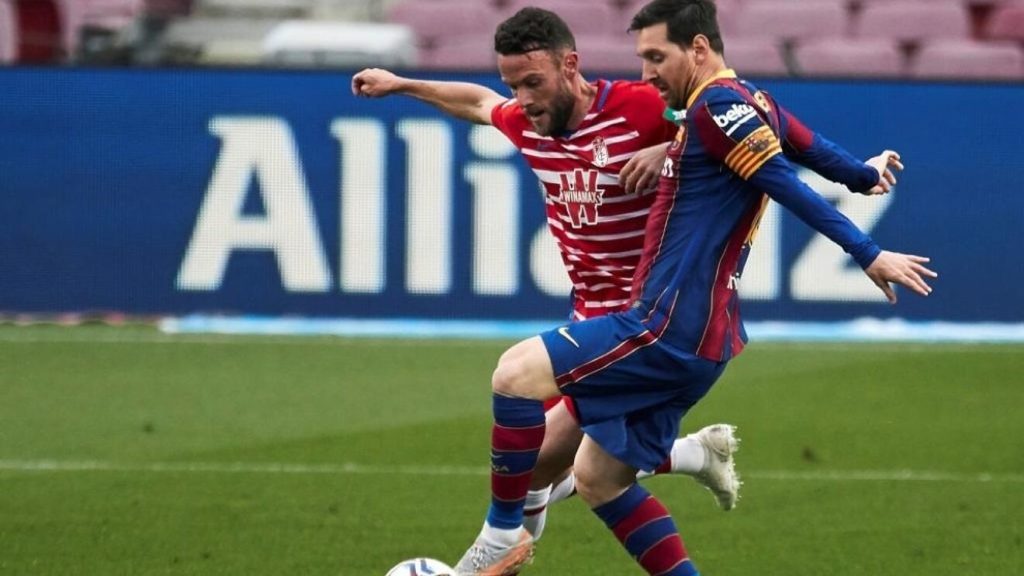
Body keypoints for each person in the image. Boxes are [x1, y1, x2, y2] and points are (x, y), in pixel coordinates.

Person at [450, 0, 936, 574]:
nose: (647, 73)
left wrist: (867, 252)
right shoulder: (749, 101)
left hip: (663, 327)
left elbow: (784, 181)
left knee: (513, 375)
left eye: (657, 57)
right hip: (704, 340)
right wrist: (863, 174)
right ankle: (693, 459)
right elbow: (806, 144)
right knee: (598, 478)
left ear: (699, 48)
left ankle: (500, 538)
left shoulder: (716, 109)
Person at [352, 6, 746, 545]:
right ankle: (693, 455)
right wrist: (402, 84)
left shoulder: (640, 106)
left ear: (570, 65)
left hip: (645, 324)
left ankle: (493, 553)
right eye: (513, 85)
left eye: (532, 82)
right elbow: (478, 103)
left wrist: (668, 148)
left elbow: (733, 121)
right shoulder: (526, 120)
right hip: (590, 323)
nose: (522, 98)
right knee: (556, 470)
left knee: (554, 461)